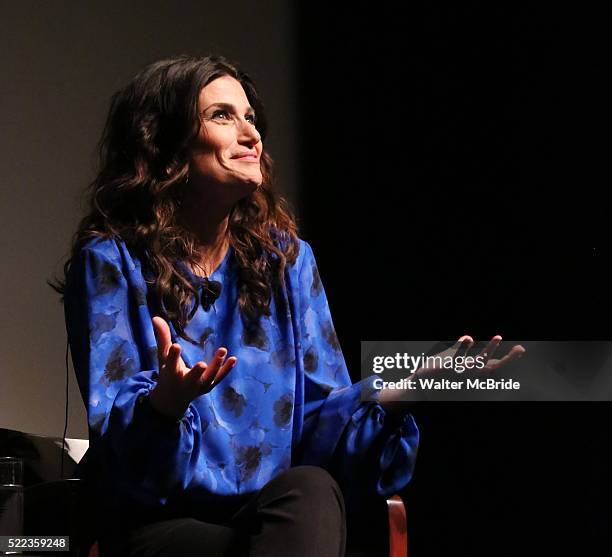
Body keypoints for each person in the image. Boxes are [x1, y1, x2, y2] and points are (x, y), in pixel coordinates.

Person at [54, 54, 520, 557]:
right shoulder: (110, 260)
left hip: (267, 520)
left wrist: (405, 392)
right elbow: (124, 454)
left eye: (250, 117)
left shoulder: (288, 261)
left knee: (312, 492)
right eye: (222, 116)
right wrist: (165, 405)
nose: (251, 133)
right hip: (155, 518)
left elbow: (322, 424)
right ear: (165, 148)